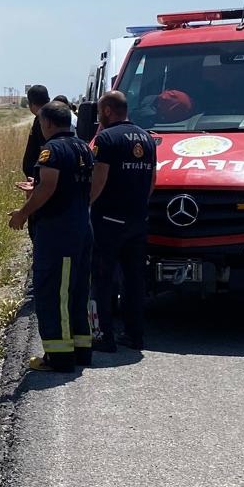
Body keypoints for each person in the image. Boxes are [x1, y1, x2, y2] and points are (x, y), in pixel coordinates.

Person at [9, 100, 94, 371]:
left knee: (54, 293)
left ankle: (59, 357)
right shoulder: (83, 146)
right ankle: (81, 350)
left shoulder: (51, 150)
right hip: (81, 227)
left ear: (46, 123)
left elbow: (49, 187)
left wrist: (23, 212)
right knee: (77, 291)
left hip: (58, 232)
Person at [89, 89, 156, 352]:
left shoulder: (105, 139)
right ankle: (134, 334)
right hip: (138, 219)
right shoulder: (147, 138)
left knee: (103, 278)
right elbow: (152, 181)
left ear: (107, 111)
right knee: (134, 280)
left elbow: (100, 178)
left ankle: (104, 336)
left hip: (109, 219)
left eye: (99, 112)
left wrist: (86, 204)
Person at [21, 85, 51, 179]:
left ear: (31, 103)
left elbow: (45, 149)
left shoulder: (42, 120)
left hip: (39, 176)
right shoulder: (49, 117)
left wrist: (40, 177)